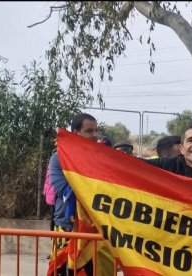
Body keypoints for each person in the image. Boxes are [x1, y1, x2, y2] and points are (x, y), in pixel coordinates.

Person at [49, 113, 113, 276]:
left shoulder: (101, 159)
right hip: (67, 228)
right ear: (76, 133)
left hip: (97, 230)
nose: (94, 135)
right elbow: (64, 190)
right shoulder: (59, 158)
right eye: (89, 131)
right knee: (64, 272)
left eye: (96, 130)